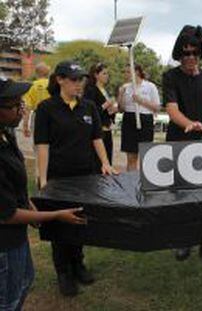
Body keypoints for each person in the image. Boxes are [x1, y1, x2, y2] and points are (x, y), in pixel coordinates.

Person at [0, 76, 86, 310]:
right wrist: (56, 215)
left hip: (16, 238)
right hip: (4, 244)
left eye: (21, 102)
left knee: (24, 282)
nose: (22, 108)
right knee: (9, 299)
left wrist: (29, 202)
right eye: (14, 105)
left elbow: (14, 186)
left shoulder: (6, 135)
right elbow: (6, 214)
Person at [34, 60, 117, 297]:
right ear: (59, 79)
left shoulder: (89, 107)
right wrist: (42, 178)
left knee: (80, 221)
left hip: (85, 176)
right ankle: (63, 272)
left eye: (81, 79)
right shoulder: (46, 108)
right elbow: (42, 145)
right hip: (58, 178)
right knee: (60, 226)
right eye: (73, 79)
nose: (78, 84)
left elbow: (97, 139)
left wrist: (105, 163)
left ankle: (78, 263)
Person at [162, 25, 202, 269]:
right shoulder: (170, 77)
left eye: (194, 53)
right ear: (179, 53)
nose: (190, 58)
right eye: (185, 53)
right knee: (181, 195)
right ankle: (183, 240)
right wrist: (189, 124)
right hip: (178, 142)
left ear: (200, 53)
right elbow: (172, 109)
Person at [118, 64, 161, 171]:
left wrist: (141, 100)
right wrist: (120, 95)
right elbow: (121, 109)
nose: (125, 74)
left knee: (145, 156)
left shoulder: (150, 86)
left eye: (127, 72)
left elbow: (157, 107)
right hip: (129, 119)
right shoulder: (126, 87)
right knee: (131, 157)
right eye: (124, 72)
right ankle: (131, 183)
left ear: (136, 72)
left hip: (145, 119)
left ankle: (144, 183)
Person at [83, 63, 117, 164]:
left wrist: (112, 111)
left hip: (107, 128)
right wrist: (105, 105)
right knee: (98, 161)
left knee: (108, 159)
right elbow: (89, 110)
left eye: (107, 74)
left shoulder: (105, 90)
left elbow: (106, 111)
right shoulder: (90, 90)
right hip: (98, 130)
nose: (107, 76)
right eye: (104, 73)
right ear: (96, 75)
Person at [22, 62, 51, 138]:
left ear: (36, 73)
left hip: (38, 116)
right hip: (54, 115)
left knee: (39, 141)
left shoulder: (31, 86)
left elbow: (27, 108)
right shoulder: (54, 84)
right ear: (48, 72)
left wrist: (25, 126)